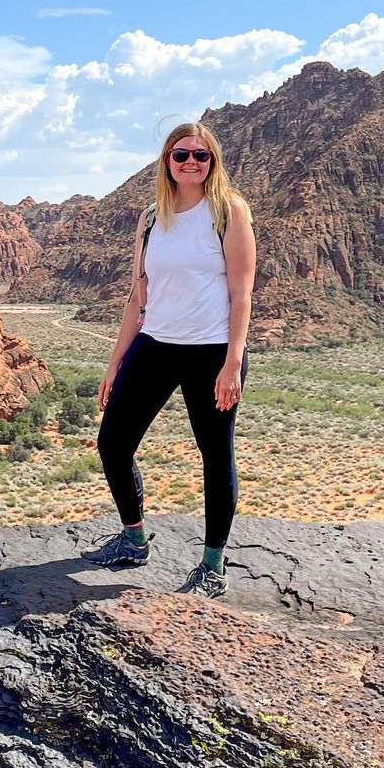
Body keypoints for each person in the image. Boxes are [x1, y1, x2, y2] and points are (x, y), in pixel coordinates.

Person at [89, 121, 256, 598]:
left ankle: (213, 565)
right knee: (113, 443)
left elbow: (241, 294)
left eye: (201, 156)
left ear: (213, 162)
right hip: (156, 345)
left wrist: (232, 362)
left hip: (212, 351)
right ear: (167, 160)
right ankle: (134, 538)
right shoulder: (149, 218)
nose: (190, 163)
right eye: (181, 154)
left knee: (214, 455)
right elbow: (136, 298)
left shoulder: (227, 211)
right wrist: (114, 364)